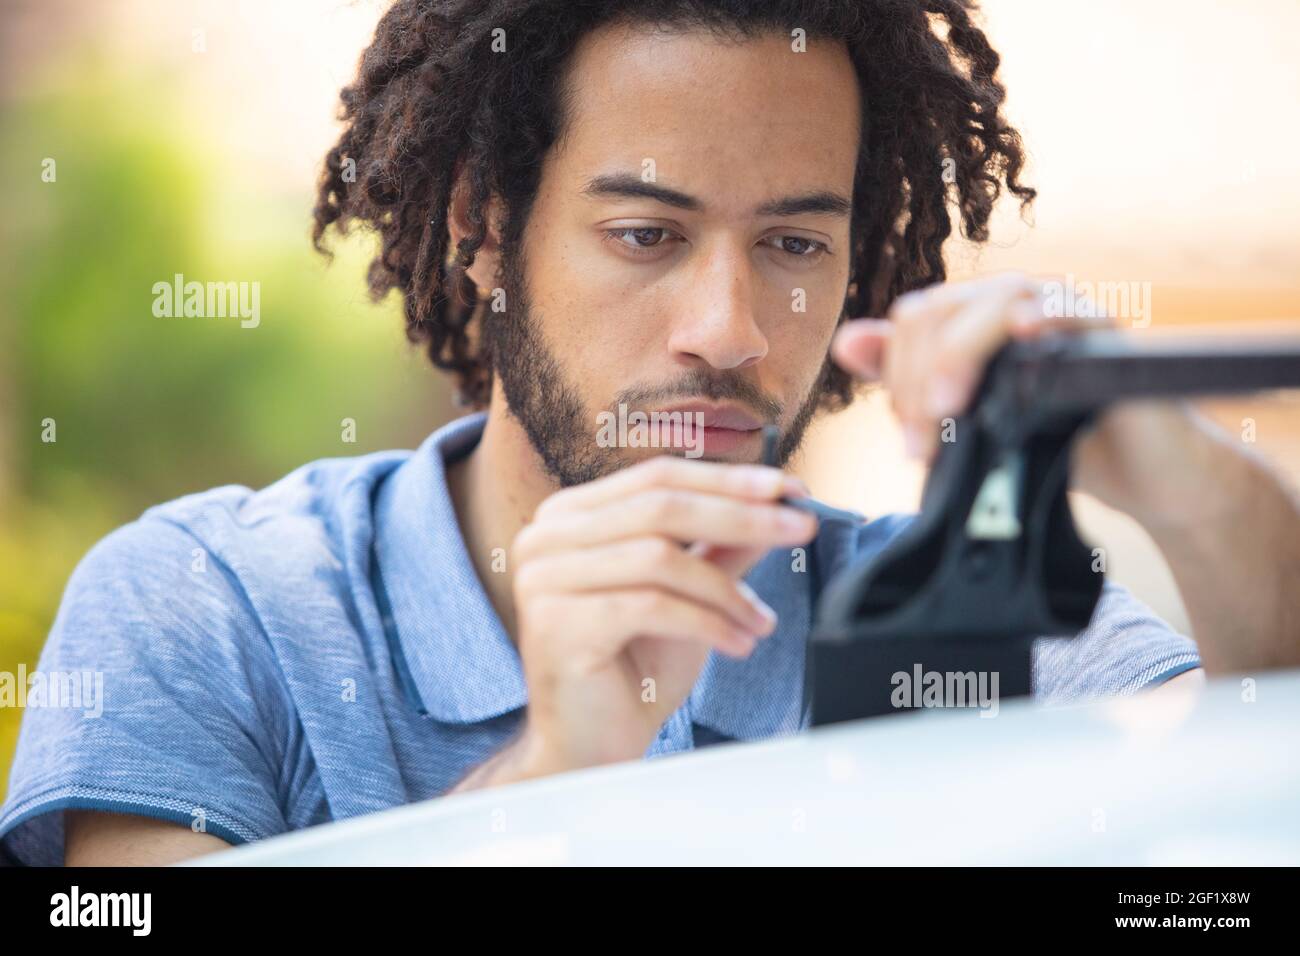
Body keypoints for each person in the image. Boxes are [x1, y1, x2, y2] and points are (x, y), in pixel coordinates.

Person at [3, 0, 1297, 866]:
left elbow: (1249, 828)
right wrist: (550, 777)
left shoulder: (952, 621)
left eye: (794, 243)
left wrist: (1197, 490)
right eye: (645, 234)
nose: (729, 328)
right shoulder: (205, 603)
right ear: (482, 227)